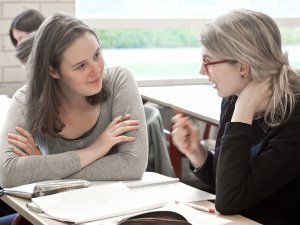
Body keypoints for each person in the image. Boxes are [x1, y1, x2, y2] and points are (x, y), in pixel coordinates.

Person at [171, 9, 300, 225]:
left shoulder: (294, 120)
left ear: (243, 67)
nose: (201, 71)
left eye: (208, 61)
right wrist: (199, 155)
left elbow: (230, 200)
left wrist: (243, 111)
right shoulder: (234, 98)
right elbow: (231, 183)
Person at [0, 13, 148, 187]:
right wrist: (94, 150)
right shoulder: (27, 99)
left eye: (97, 55)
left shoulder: (119, 80)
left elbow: (133, 165)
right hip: (55, 209)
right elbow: (6, 173)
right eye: (81, 66)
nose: (96, 70)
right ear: (53, 71)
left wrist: (46, 169)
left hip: (116, 206)